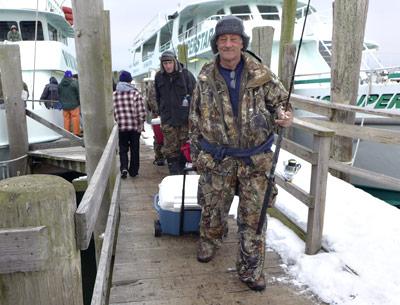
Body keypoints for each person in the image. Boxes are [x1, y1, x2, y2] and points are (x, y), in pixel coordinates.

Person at [189, 16, 293, 291]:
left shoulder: (263, 75)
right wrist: (197, 154)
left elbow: (282, 103)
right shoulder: (204, 76)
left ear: (242, 43)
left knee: (253, 218)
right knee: (212, 209)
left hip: (255, 159)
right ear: (216, 44)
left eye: (233, 39)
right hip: (216, 158)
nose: (228, 44)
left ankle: (250, 269)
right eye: (223, 40)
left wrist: (284, 115)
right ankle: (210, 241)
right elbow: (195, 118)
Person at [155, 50, 196, 175]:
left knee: (184, 148)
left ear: (175, 61)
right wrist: (161, 111)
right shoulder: (159, 77)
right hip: (168, 120)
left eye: (169, 62)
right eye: (165, 63)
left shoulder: (186, 75)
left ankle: (182, 171)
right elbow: (157, 96)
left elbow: (196, 97)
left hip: (184, 120)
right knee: (170, 150)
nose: (167, 66)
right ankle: (174, 174)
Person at [113, 70, 146, 179]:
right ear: (129, 81)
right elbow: (141, 111)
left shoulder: (114, 95)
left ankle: (123, 168)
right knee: (134, 149)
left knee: (123, 149)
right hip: (134, 127)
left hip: (121, 127)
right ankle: (133, 171)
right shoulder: (135, 93)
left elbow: (112, 112)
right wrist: (141, 124)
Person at [144, 78, 165, 166]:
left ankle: (160, 156)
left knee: (158, 136)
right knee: (161, 136)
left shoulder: (152, 85)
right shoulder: (160, 82)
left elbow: (149, 100)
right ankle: (162, 156)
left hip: (157, 115)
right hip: (163, 114)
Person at [58, 70, 80, 136]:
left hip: (64, 106)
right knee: (75, 118)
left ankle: (66, 133)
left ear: (64, 75)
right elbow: (78, 93)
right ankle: (76, 133)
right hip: (74, 105)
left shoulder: (60, 84)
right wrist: (78, 102)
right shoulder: (74, 83)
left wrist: (62, 102)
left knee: (66, 119)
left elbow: (59, 94)